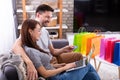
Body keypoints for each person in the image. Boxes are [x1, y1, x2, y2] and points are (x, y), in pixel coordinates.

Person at [12, 4, 83, 80]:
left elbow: (53, 51)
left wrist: (64, 49)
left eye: (50, 17)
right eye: (47, 17)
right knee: (84, 67)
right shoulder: (30, 31)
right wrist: (29, 63)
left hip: (53, 58)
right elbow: (15, 46)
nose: (49, 20)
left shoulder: (45, 31)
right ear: (38, 15)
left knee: (79, 57)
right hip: (47, 62)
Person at [21, 19, 100, 80]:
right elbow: (45, 74)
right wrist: (66, 67)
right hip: (57, 78)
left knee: (90, 75)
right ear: (30, 31)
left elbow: (44, 66)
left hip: (58, 74)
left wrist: (58, 66)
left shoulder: (32, 47)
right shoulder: (30, 51)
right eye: (38, 30)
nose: (40, 33)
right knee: (87, 65)